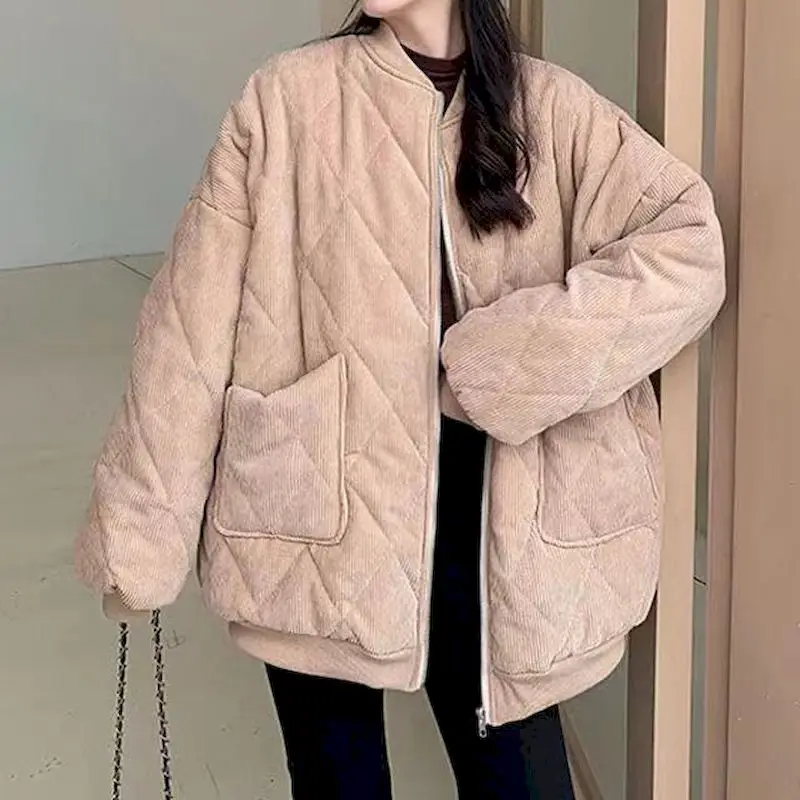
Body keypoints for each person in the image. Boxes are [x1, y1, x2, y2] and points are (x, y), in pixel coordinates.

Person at [75, 0, 726, 797]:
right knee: (337, 783)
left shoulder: (552, 110)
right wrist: (140, 536)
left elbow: (690, 249)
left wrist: (508, 362)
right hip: (319, 525)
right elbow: (186, 332)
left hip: (496, 533)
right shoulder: (285, 101)